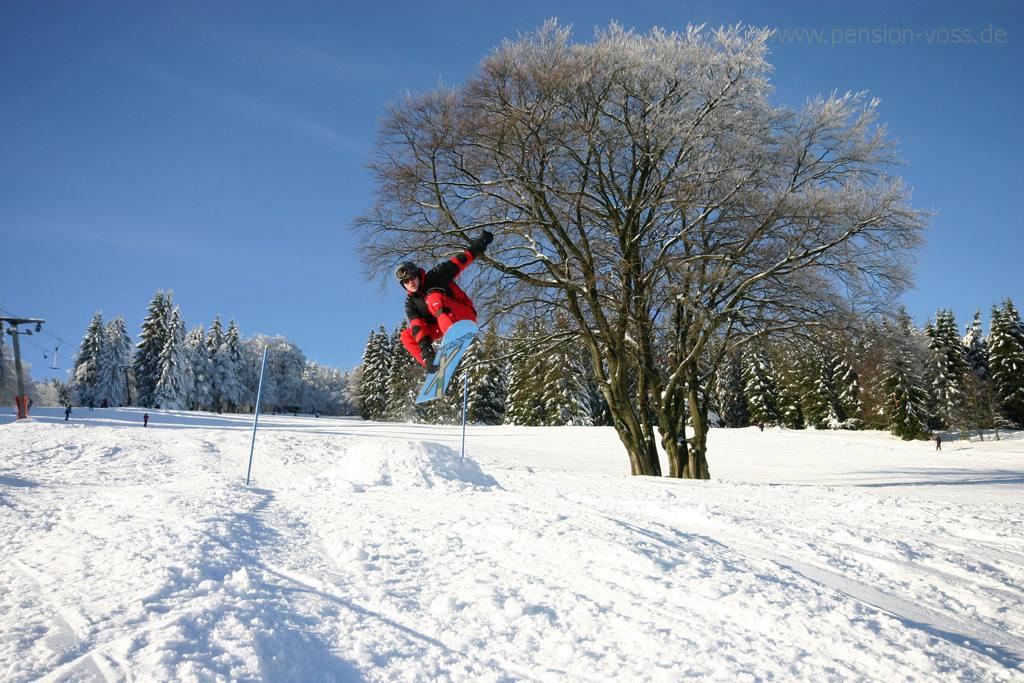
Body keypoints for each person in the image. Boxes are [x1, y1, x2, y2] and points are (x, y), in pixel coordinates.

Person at [397, 230, 493, 372]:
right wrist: (427, 354)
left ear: (418, 275)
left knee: (433, 297)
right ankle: (433, 364)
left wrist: (480, 244)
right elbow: (419, 328)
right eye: (406, 281)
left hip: (462, 314)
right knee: (407, 335)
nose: (410, 282)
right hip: (439, 325)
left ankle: (452, 337)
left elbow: (461, 260)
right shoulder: (411, 302)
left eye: (412, 278)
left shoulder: (436, 276)